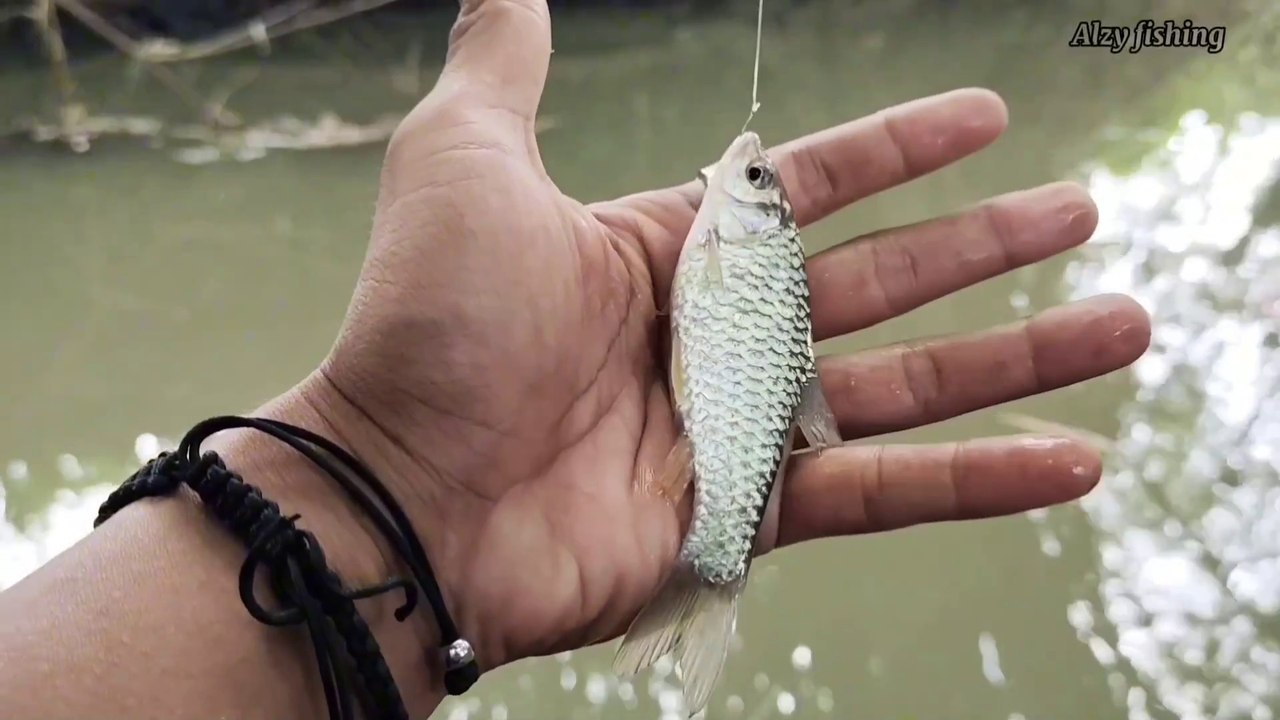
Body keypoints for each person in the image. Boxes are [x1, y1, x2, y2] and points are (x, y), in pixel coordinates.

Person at [0, 1, 1151, 718]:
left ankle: (706, 577)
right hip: (683, 427)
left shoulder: (725, 250)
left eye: (751, 184)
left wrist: (371, 498)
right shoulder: (725, 252)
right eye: (753, 182)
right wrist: (384, 478)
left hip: (699, 438)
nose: (742, 173)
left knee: (719, 532)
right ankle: (699, 585)